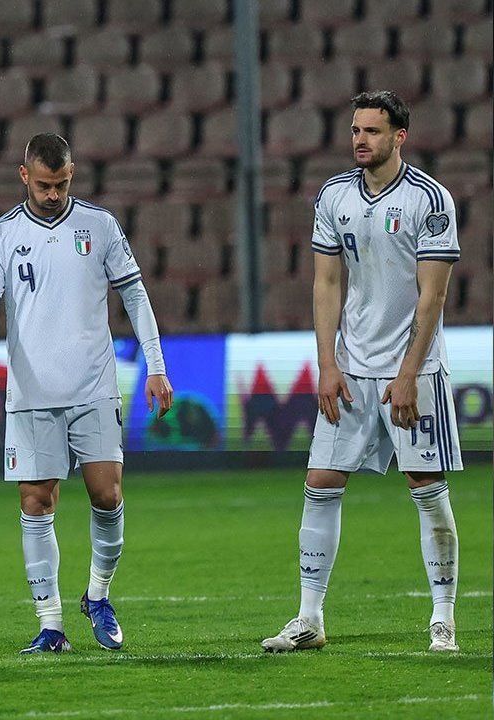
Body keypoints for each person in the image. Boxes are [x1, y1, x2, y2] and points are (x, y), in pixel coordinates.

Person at [262, 91, 463, 654]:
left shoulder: (430, 200)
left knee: (425, 487)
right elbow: (326, 283)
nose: (360, 140)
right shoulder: (334, 195)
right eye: (355, 130)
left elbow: (433, 296)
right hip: (350, 370)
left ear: (400, 137)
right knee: (320, 482)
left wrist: (409, 373)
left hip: (414, 372)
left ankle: (443, 618)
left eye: (372, 131)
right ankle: (309, 619)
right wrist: (327, 363)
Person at [0, 133, 174, 654]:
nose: (53, 194)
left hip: (93, 385)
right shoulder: (3, 234)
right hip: (31, 392)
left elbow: (135, 295)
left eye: (60, 183)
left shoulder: (99, 226)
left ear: (72, 173)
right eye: (44, 185)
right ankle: (51, 626)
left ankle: (97, 595)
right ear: (24, 176)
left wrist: (156, 365)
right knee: (37, 501)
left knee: (108, 495)